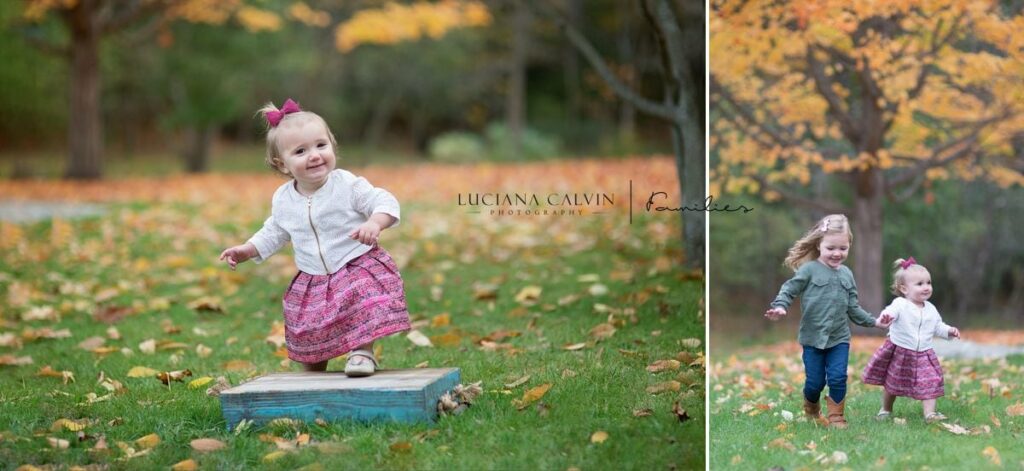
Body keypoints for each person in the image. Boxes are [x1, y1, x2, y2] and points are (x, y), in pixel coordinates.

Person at [220, 98, 410, 377]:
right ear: (281, 164)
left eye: (321, 145)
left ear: (332, 146)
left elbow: (383, 200)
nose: (315, 155)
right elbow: (275, 230)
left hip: (354, 262)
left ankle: (361, 352)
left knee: (359, 298)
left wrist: (374, 222)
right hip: (313, 274)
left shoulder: (346, 184)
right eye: (301, 151)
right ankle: (314, 364)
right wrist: (248, 250)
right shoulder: (284, 199)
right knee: (307, 323)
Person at [765, 214, 889, 428]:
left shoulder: (847, 275)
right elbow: (789, 289)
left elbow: (853, 308)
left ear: (849, 246)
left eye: (843, 248)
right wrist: (780, 306)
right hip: (813, 338)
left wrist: (875, 322)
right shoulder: (809, 270)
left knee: (838, 377)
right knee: (815, 382)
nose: (837, 253)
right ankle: (811, 405)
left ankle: (836, 416)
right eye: (831, 248)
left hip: (839, 338)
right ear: (819, 245)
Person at [862, 257, 960, 422]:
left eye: (928, 283)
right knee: (892, 382)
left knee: (930, 381)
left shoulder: (931, 309)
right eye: (920, 284)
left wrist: (949, 331)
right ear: (904, 289)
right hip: (900, 351)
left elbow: (937, 326)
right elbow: (891, 311)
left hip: (924, 353)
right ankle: (885, 409)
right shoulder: (900, 304)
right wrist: (886, 317)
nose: (926, 287)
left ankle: (930, 414)